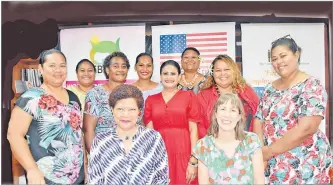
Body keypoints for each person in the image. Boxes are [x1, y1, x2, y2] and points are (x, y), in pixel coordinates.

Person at [253, 35, 332, 184]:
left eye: (283, 56)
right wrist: (261, 151)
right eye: (274, 59)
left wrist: (268, 152)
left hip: (306, 162)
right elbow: (258, 120)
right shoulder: (270, 88)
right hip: (275, 165)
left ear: (297, 54)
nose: (278, 62)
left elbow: (307, 128)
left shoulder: (311, 85)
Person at [7, 49, 84, 184]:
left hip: (77, 176)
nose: (58, 70)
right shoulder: (31, 98)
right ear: (41, 69)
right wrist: (31, 169)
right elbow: (14, 135)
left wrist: (86, 167)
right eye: (52, 66)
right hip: (45, 178)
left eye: (62, 66)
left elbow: (78, 134)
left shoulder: (73, 98)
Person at [88, 84, 169, 184]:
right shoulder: (101, 140)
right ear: (112, 110)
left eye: (131, 109)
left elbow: (161, 178)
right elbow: (95, 179)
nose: (125, 115)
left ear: (139, 112)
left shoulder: (153, 138)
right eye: (120, 109)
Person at [144, 60, 200, 184]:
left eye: (173, 74)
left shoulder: (189, 97)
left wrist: (193, 160)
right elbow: (150, 134)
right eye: (165, 73)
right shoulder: (150, 100)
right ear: (160, 76)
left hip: (184, 152)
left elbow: (193, 130)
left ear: (179, 76)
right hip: (160, 155)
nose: (169, 77)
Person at [193, 93, 265, 184]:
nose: (227, 115)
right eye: (223, 109)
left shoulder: (251, 141)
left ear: (239, 116)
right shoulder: (203, 146)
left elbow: (259, 181)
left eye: (233, 110)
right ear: (215, 114)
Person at [197, 54, 259, 138]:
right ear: (213, 73)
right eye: (218, 70)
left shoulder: (247, 92)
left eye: (226, 69)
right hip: (213, 146)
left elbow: (258, 119)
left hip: (245, 145)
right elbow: (199, 127)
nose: (223, 73)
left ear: (234, 71)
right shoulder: (203, 96)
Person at [83, 51, 129, 153]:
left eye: (124, 66)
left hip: (132, 156)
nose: (120, 70)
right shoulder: (95, 94)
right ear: (107, 70)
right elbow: (88, 130)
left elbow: (139, 125)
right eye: (116, 66)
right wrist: (96, 158)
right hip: (104, 156)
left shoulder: (132, 94)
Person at [67, 58, 96, 184]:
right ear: (76, 73)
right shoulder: (68, 93)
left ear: (95, 73)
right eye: (82, 70)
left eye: (90, 70)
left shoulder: (100, 93)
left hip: (95, 141)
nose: (86, 73)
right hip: (74, 144)